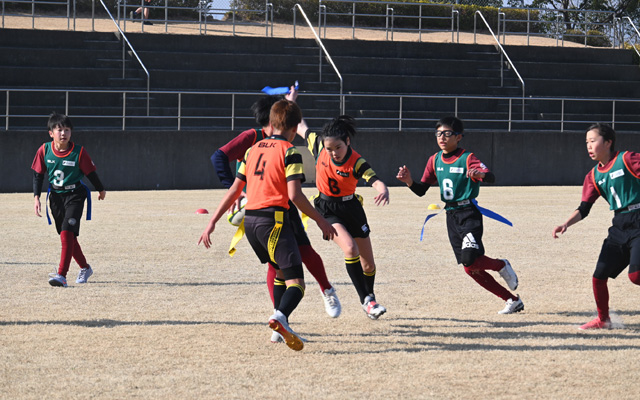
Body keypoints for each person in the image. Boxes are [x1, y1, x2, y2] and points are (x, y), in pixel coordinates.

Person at [199, 100, 337, 351]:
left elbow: (235, 190)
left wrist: (212, 221)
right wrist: (321, 221)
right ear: (294, 128)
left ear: (271, 123)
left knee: (280, 273)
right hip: (274, 221)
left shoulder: (252, 150)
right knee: (297, 284)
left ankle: (277, 332)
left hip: (251, 223)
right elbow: (294, 195)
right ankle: (279, 318)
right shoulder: (290, 151)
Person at [396, 116, 523, 314]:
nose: (442, 137)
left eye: (447, 133)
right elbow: (421, 190)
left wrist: (480, 175)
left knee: (469, 258)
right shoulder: (434, 159)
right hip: (451, 216)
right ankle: (512, 300)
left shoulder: (467, 157)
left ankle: (501, 265)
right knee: (469, 267)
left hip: (469, 214)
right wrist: (409, 181)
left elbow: (491, 177)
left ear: (459, 137)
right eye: (439, 133)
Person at [299, 115, 389, 320]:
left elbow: (374, 179)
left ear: (347, 141)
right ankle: (366, 300)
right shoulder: (319, 146)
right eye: (329, 149)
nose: (333, 153)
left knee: (369, 265)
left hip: (351, 208)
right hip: (327, 209)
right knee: (350, 248)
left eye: (338, 147)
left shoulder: (356, 162)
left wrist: (382, 188)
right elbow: (301, 127)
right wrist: (291, 103)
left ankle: (370, 298)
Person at [552, 123, 640, 330]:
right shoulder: (593, 176)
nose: (589, 146)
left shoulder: (627, 159)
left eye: (593, 141)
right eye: (586, 143)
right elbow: (584, 208)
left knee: (636, 277)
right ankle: (603, 320)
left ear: (608, 142)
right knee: (598, 276)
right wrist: (566, 224)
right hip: (619, 225)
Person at [31, 112, 106, 288]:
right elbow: (38, 175)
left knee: (66, 232)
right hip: (56, 197)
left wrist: (100, 189)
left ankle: (61, 275)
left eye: (67, 130)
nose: (63, 133)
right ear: (51, 133)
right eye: (59, 130)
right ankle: (85, 268)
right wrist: (36, 197)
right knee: (68, 237)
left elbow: (91, 173)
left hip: (75, 195)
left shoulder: (79, 152)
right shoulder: (44, 150)